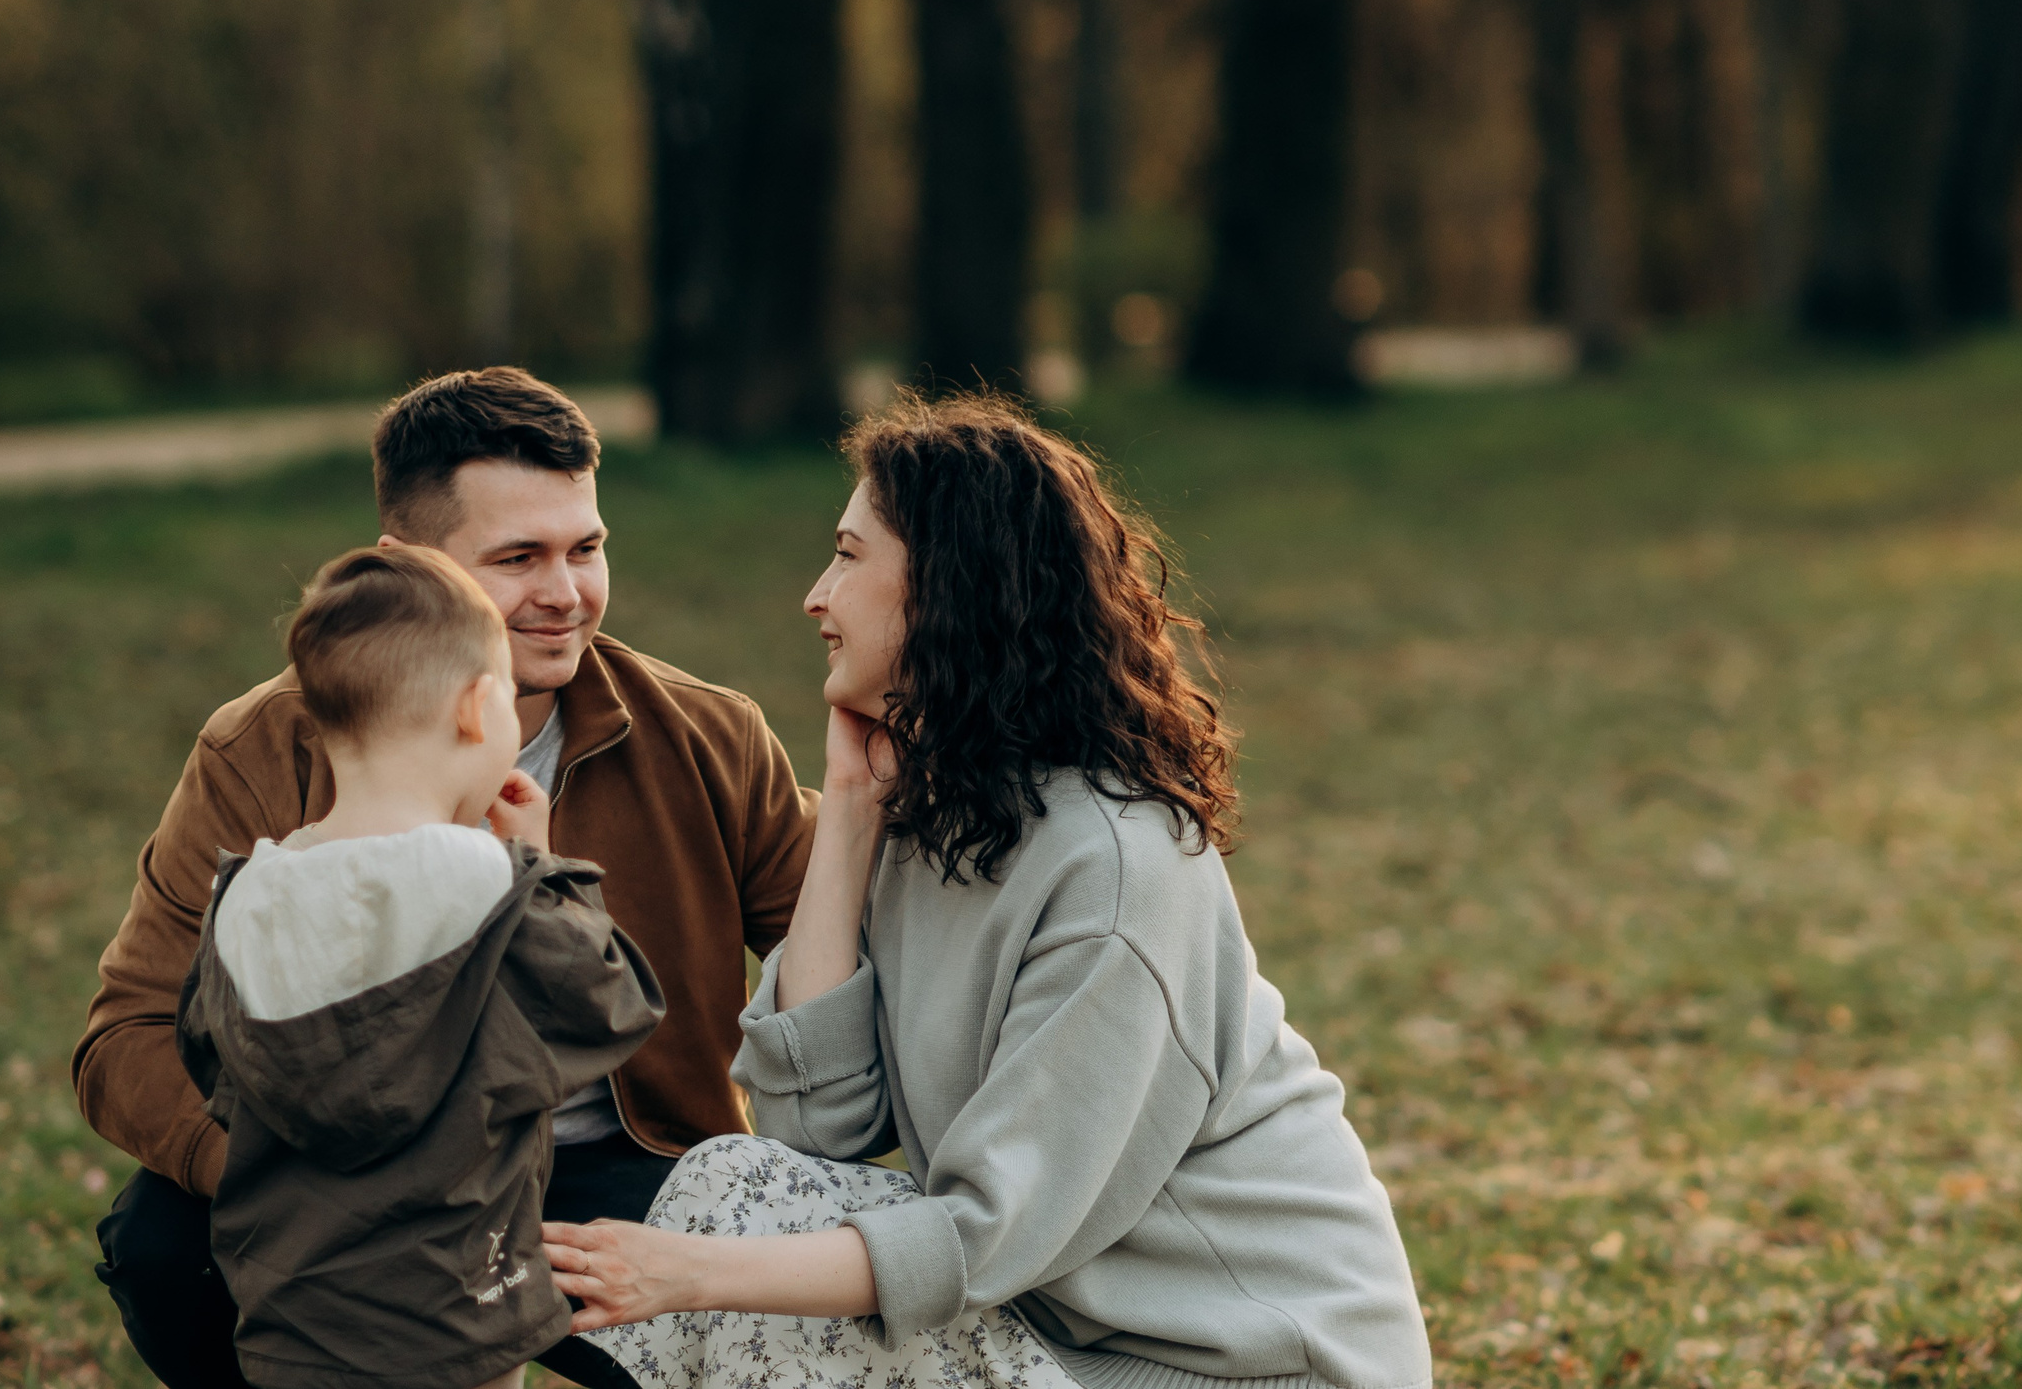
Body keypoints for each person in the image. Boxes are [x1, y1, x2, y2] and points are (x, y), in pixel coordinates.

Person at [541, 395, 1433, 1389]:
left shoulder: (1117, 861)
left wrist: (690, 1271)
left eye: (846, 554)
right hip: (1055, 1332)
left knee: (738, 1255)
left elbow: (985, 1234)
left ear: (943, 584)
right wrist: (846, 803)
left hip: (1235, 1362)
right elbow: (811, 1129)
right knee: (730, 1179)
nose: (813, 594)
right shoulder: (948, 817)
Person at [75, 367, 816, 1389]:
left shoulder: (707, 733)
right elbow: (128, 1037)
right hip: (337, 1178)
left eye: (586, 546)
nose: (565, 593)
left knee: (776, 1284)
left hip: (618, 1166)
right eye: (518, 557)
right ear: (407, 569)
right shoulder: (259, 750)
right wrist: (288, 1172)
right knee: (162, 1241)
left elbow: (842, 950)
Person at [178, 544, 665, 1389]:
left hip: (295, 1314)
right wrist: (542, 869)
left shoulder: (247, 890)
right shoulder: (487, 881)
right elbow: (607, 1004)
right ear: (480, 707)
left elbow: (209, 1059)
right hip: (462, 1298)